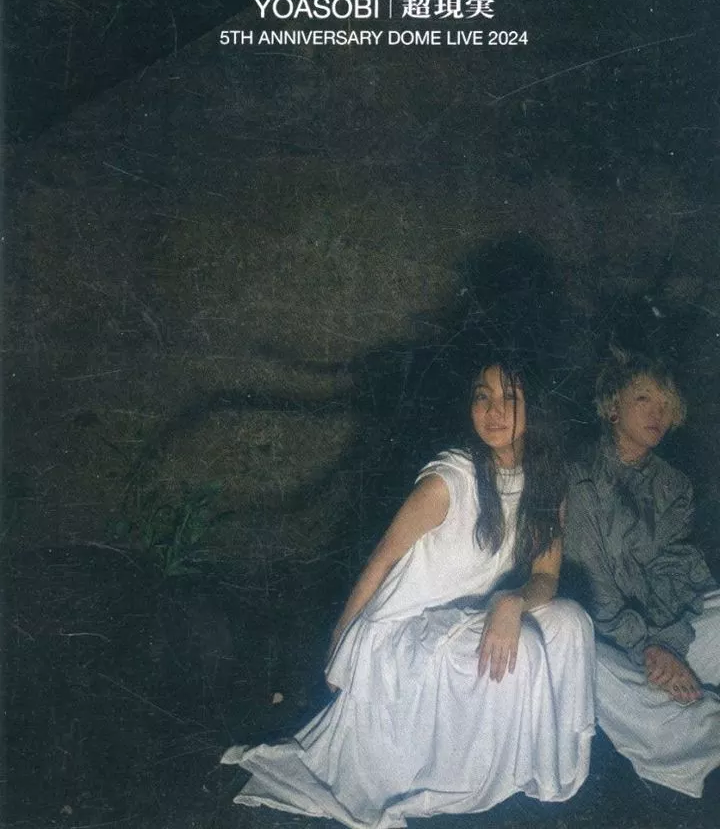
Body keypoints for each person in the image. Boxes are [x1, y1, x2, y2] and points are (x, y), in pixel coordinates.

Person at [221, 360, 595, 829]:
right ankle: (480, 782)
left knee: (571, 623)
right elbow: (380, 562)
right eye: (482, 396)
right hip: (400, 632)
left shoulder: (545, 484)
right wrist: (341, 645)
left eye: (510, 397)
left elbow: (546, 576)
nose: (494, 410)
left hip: (462, 618)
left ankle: (548, 773)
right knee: (528, 648)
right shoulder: (448, 481)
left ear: (535, 407)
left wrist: (513, 600)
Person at [563, 348, 720, 797]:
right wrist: (647, 647)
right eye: (644, 399)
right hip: (604, 631)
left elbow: (677, 569)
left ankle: (678, 700)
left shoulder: (674, 484)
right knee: (583, 661)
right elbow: (593, 585)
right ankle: (699, 734)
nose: (659, 413)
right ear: (613, 407)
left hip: (660, 630)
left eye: (667, 404)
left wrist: (667, 642)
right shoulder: (580, 477)